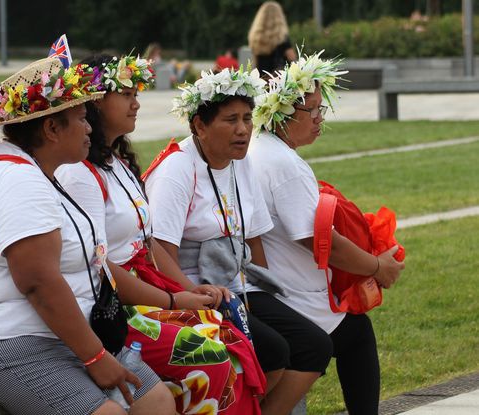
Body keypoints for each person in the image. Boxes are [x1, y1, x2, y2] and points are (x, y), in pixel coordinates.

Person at [0, 56, 175, 415]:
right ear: (51, 130)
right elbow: (38, 282)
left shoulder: (38, 172)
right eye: (81, 119)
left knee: (156, 400)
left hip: (44, 333)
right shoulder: (17, 181)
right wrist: (95, 356)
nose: (90, 127)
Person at [57, 53, 266, 414]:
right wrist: (173, 301)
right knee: (213, 355)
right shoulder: (80, 175)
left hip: (146, 285)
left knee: (230, 333)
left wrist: (187, 290)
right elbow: (101, 269)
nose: (136, 103)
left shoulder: (115, 163)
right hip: (117, 303)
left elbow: (149, 244)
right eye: (125, 94)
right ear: (94, 102)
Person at [144, 66, 333, 415]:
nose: (243, 129)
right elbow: (158, 252)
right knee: (274, 350)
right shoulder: (176, 170)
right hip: (194, 291)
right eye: (230, 119)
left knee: (315, 344)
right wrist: (190, 296)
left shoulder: (238, 161)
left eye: (247, 117)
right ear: (199, 126)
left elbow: (254, 238)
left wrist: (265, 292)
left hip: (239, 289)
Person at [249, 51, 406, 414]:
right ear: (284, 113)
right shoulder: (284, 163)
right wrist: (376, 267)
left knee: (351, 335)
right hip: (291, 295)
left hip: (276, 286)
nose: (321, 119)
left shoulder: (262, 149)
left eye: (322, 109)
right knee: (355, 335)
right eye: (313, 111)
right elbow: (319, 241)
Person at [248, 1, 297, 74]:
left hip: (262, 80)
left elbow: (256, 63)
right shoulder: (282, 39)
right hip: (279, 80)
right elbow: (293, 60)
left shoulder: (256, 38)